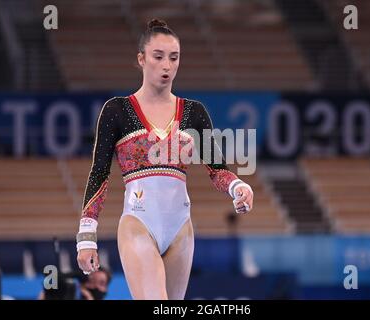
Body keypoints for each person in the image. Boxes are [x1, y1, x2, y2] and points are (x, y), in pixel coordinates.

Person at [76, 18, 254, 300]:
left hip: (181, 228)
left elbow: (217, 169)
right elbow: (99, 172)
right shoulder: (118, 110)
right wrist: (87, 235)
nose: (167, 66)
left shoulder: (194, 112)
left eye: (174, 58)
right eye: (158, 57)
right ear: (141, 59)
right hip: (138, 223)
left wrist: (238, 187)